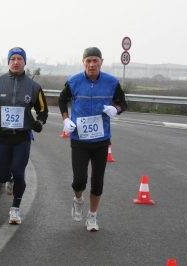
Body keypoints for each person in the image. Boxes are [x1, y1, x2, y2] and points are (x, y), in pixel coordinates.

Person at [58, 47, 128, 231]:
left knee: (98, 181)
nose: (91, 64)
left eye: (95, 61)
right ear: (83, 63)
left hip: (101, 140)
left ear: (101, 62)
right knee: (79, 180)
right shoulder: (73, 81)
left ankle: (92, 216)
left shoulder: (111, 82)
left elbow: (123, 102)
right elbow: (61, 100)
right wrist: (66, 119)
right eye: (88, 61)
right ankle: (78, 199)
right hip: (79, 139)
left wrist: (116, 110)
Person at [0, 47, 48, 224]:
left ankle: (15, 209)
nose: (16, 62)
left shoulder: (33, 87)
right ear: (8, 62)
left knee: (19, 172)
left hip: (22, 138)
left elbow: (43, 111)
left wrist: (39, 123)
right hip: (2, 137)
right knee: (3, 176)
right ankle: (8, 179)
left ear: (25, 62)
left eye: (20, 59)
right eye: (13, 59)